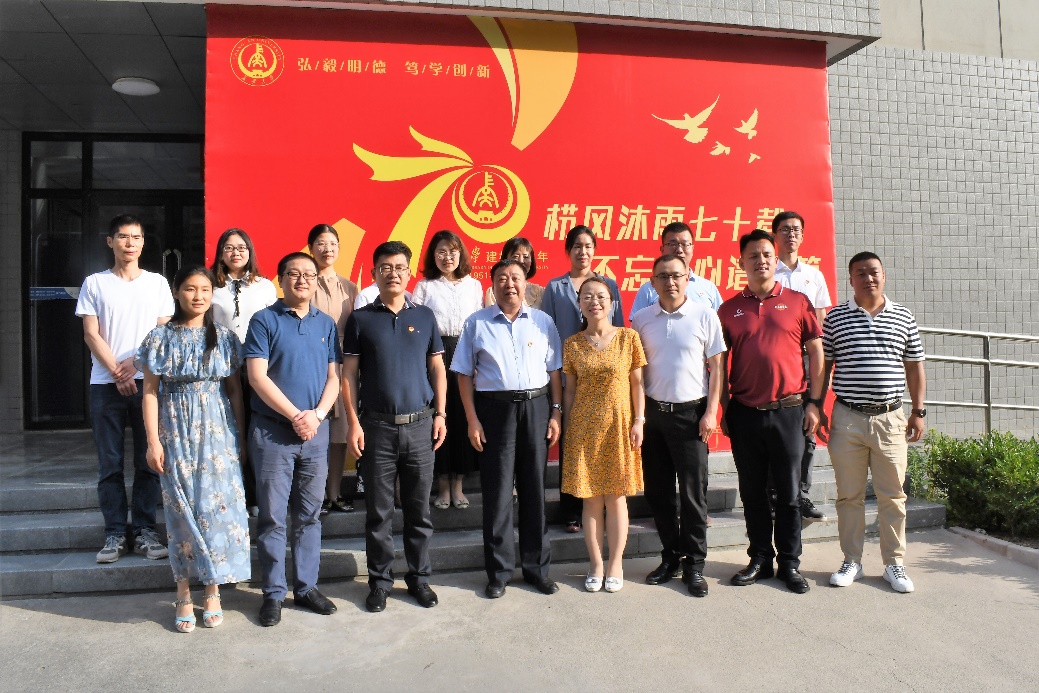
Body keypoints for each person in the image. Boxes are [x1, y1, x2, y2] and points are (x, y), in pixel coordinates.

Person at [139, 267, 250, 633]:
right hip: (174, 430)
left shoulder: (225, 338)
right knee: (181, 511)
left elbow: (234, 391)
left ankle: (213, 589)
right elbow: (150, 392)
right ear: (177, 291)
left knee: (215, 511)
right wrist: (153, 441)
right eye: (190, 289)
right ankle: (183, 591)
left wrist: (239, 437)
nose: (198, 296)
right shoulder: (159, 337)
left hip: (218, 432)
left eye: (205, 289)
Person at [342, 241, 448, 613]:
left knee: (419, 511)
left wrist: (441, 414)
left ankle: (419, 579)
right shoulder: (361, 319)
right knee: (379, 512)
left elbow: (437, 368)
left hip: (420, 426)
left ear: (409, 272)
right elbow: (349, 375)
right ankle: (380, 582)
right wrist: (353, 422)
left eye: (400, 267)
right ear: (374, 273)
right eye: (385, 267)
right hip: (377, 428)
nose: (393, 273)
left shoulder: (426, 316)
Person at [719, 229, 824, 594]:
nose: (760, 261)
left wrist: (815, 403)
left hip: (789, 412)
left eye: (766, 254)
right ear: (741, 262)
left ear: (775, 259)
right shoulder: (729, 309)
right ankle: (760, 558)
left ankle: (790, 564)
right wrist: (723, 409)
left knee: (790, 494)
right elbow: (718, 364)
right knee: (752, 493)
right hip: (745, 412)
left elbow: (817, 353)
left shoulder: (797, 301)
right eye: (753, 255)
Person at [453, 259, 563, 599]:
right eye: (502, 278)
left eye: (515, 277)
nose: (509, 284)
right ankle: (499, 573)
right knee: (498, 493)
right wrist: (472, 419)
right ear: (493, 284)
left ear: (526, 283)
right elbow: (463, 374)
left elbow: (555, 371)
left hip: (536, 407)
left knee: (534, 490)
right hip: (494, 411)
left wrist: (556, 412)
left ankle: (536, 569)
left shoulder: (543, 322)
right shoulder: (477, 323)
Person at [243, 252, 341, 627]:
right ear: (280, 279)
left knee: (309, 515)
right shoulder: (264, 320)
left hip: (315, 434)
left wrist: (316, 415)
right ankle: (272, 593)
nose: (302, 280)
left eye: (309, 274)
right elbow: (257, 376)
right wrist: (296, 416)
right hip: (273, 433)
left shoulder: (326, 323)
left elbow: (334, 377)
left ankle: (306, 587)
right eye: (294, 274)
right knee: (272, 517)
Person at [823, 252, 926, 593]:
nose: (868, 278)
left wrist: (918, 411)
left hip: (891, 418)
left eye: (874, 272)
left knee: (893, 495)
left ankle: (894, 564)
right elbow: (824, 366)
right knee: (849, 496)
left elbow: (914, 366)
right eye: (861, 273)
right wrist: (816, 406)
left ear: (884, 276)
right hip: (847, 418)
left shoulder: (903, 317)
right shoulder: (835, 318)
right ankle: (851, 560)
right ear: (851, 278)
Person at [76, 214, 174, 564]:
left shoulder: (157, 283)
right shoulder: (94, 283)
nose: (129, 243)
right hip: (105, 385)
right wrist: (117, 372)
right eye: (122, 236)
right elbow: (91, 333)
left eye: (136, 237)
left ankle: (145, 530)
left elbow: (162, 332)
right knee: (110, 464)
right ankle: (115, 533)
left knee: (150, 459)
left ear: (143, 243)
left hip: (148, 383)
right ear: (110, 241)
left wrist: (135, 363)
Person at [632, 254, 726, 597]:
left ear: (688, 278)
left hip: (691, 416)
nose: (670, 282)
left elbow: (717, 367)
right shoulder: (641, 319)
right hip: (654, 415)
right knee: (658, 493)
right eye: (663, 276)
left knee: (692, 494)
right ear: (652, 282)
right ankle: (670, 556)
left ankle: (695, 564)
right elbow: (636, 372)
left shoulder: (705, 315)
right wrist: (639, 417)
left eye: (676, 276)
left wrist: (711, 411)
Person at [561, 276, 645, 593]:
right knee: (591, 500)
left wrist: (639, 421)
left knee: (617, 498)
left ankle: (616, 563)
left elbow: (638, 385)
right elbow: (570, 391)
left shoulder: (628, 338)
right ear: (579, 304)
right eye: (587, 296)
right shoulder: (572, 344)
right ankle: (596, 563)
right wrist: (568, 427)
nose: (593, 301)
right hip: (584, 429)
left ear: (612, 303)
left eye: (600, 296)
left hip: (619, 427)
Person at [542, 225, 625, 533]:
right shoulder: (555, 287)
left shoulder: (608, 285)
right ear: (568, 251)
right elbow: (548, 333)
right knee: (572, 448)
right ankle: (572, 510)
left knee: (604, 446)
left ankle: (602, 505)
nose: (583, 251)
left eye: (588, 246)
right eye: (577, 246)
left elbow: (619, 331)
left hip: (605, 383)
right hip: (570, 379)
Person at [412, 230, 483, 510]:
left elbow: (478, 326)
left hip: (466, 354)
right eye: (441, 251)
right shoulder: (425, 286)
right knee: (438, 417)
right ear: (433, 255)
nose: (447, 257)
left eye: (453, 251)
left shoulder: (474, 285)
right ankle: (442, 484)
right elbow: (418, 325)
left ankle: (458, 485)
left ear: (461, 254)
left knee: (463, 417)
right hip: (434, 355)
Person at [210, 227, 277, 516]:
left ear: (250, 252)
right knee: (227, 431)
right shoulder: (211, 285)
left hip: (257, 367)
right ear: (220, 253)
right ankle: (230, 495)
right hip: (222, 369)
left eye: (241, 247)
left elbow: (274, 327)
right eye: (229, 247)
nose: (235, 253)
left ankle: (256, 497)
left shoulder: (264, 286)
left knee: (255, 431)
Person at [772, 211, 832, 520]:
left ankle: (801, 494)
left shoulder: (814, 275)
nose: (791, 234)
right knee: (776, 426)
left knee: (808, 425)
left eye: (796, 229)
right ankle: (775, 494)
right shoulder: (769, 272)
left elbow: (821, 321)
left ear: (803, 236)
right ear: (775, 235)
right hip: (778, 361)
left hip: (808, 360)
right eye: (784, 229)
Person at [307, 223, 360, 515]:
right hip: (312, 363)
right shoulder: (304, 282)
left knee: (339, 435)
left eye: (332, 244)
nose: (327, 249)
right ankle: (313, 496)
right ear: (311, 248)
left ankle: (334, 493)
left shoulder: (350, 287)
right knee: (315, 431)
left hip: (342, 366)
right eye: (321, 243)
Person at [628, 222, 722, 321]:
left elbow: (720, 323)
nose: (679, 250)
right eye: (672, 244)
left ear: (692, 249)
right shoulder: (648, 289)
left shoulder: (708, 288)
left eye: (685, 244)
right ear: (662, 249)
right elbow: (638, 325)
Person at [483, 236, 544, 309]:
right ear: (505, 259)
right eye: (515, 256)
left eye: (526, 257)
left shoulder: (540, 292)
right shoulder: (494, 291)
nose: (521, 261)